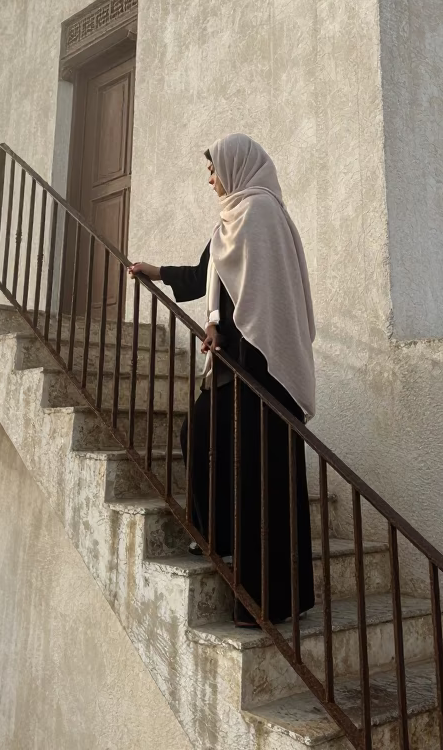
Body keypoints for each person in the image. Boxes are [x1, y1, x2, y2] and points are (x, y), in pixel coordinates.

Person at [129, 133, 316, 627]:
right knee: (200, 432)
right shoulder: (228, 223)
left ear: (235, 166)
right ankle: (219, 537)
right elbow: (203, 277)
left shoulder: (261, 214)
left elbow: (261, 298)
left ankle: (267, 603)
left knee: (262, 479)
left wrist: (223, 328)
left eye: (213, 170)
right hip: (232, 365)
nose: (211, 180)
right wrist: (154, 271)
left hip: (261, 371)